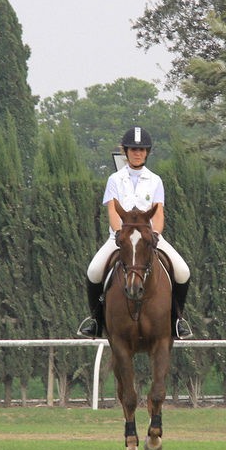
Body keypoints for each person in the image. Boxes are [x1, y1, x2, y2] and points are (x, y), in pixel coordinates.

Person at [76, 126, 193, 339]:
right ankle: (95, 320)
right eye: (132, 149)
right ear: (126, 152)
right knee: (93, 271)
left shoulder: (155, 180)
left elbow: (158, 213)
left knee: (183, 271)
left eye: (141, 150)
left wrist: (155, 234)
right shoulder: (115, 179)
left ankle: (177, 321)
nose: (137, 153)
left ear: (147, 153)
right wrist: (120, 234)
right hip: (121, 239)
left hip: (150, 239)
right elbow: (112, 210)